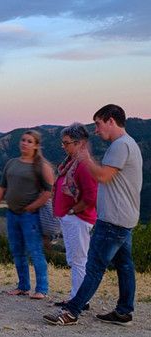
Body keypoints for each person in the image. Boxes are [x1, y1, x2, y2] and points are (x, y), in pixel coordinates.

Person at [44, 104, 143, 326]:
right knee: (125, 266)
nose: (96, 130)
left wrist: (86, 160)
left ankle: (71, 311)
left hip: (113, 219)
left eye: (98, 124)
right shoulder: (129, 144)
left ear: (111, 120)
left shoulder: (120, 145)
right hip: (124, 217)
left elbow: (104, 177)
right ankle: (124, 311)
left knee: (94, 267)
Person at [0, 130, 54, 299]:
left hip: (29, 216)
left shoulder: (41, 166)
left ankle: (42, 289)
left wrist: (32, 207)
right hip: (12, 214)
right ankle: (23, 286)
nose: (25, 143)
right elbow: (2, 187)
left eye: (29, 141)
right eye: (23, 140)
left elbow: (48, 192)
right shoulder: (12, 163)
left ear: (36, 145)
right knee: (17, 251)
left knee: (35, 251)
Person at [52, 123, 97, 309]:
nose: (63, 146)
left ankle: (79, 301)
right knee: (74, 259)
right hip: (71, 219)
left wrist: (73, 211)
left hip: (79, 220)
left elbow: (91, 195)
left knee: (78, 260)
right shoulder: (71, 162)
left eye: (66, 143)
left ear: (79, 143)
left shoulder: (84, 165)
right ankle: (76, 297)